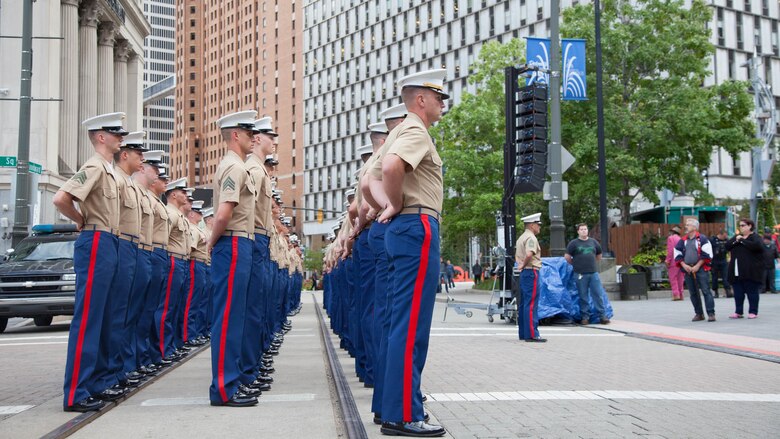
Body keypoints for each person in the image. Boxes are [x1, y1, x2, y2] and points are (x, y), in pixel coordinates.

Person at [370, 69, 448, 437]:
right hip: (417, 226)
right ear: (421, 100)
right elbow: (387, 169)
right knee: (411, 324)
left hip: (405, 228)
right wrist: (397, 204)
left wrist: (387, 205)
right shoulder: (415, 129)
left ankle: (391, 407)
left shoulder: (398, 132)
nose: (443, 103)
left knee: (397, 321)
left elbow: (369, 179)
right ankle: (404, 414)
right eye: (439, 96)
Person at [54, 112, 127, 412]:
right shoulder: (94, 165)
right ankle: (77, 393)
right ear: (100, 137)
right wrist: (81, 219)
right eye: (115, 133)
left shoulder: (107, 170)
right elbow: (61, 198)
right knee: (90, 319)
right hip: (96, 240)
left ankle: (95, 384)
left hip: (108, 241)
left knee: (105, 318)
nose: (120, 138)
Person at [208, 110, 260, 407]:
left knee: (235, 317)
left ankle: (232, 381)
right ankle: (225, 388)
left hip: (239, 244)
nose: (253, 138)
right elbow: (224, 213)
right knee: (228, 318)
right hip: (233, 243)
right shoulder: (234, 167)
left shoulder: (238, 166)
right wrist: (211, 242)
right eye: (248, 132)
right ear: (235, 135)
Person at [565, 223, 609, 325]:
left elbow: (599, 255)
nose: (584, 231)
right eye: (582, 229)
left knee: (598, 294)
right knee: (583, 296)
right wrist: (575, 264)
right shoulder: (573, 243)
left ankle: (602, 316)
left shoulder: (593, 242)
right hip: (580, 274)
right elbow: (567, 257)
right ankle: (585, 317)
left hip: (593, 273)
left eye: (585, 229)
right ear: (578, 231)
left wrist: (592, 264)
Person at [674, 218, 716, 322]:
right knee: (693, 293)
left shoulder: (702, 239)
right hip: (688, 269)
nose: (686, 227)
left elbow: (707, 254)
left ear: (694, 227)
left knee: (706, 290)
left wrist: (697, 265)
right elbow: (677, 254)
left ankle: (711, 313)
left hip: (701, 268)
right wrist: (684, 265)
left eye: (688, 225)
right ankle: (699, 313)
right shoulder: (683, 240)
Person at [515, 213, 546, 343]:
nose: (539, 227)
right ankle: (532, 334)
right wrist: (523, 265)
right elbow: (529, 254)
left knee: (524, 304)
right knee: (531, 304)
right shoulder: (531, 238)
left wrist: (521, 266)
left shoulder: (521, 237)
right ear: (532, 225)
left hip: (525, 274)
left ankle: (524, 333)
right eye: (538, 225)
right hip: (531, 271)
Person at [726, 219, 764, 318]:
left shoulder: (755, 237)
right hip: (736, 270)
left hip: (751, 271)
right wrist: (736, 239)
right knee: (738, 293)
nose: (741, 227)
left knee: (752, 292)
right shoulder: (737, 237)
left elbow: (757, 246)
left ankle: (753, 311)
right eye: (740, 225)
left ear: (749, 226)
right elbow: (727, 246)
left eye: (743, 225)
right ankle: (738, 311)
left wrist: (742, 240)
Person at [710, 229, 732, 298]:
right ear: (720, 234)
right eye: (724, 236)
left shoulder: (726, 240)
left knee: (725, 276)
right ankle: (715, 292)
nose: (725, 237)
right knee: (714, 277)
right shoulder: (713, 240)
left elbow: (729, 249)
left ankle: (728, 291)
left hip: (723, 260)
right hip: (714, 261)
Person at [665, 226, 685, 301]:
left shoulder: (671, 238)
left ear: (672, 232)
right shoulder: (681, 239)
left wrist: (668, 260)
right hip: (681, 261)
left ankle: (676, 294)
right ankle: (681, 294)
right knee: (680, 278)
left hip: (673, 261)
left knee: (673, 278)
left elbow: (670, 251)